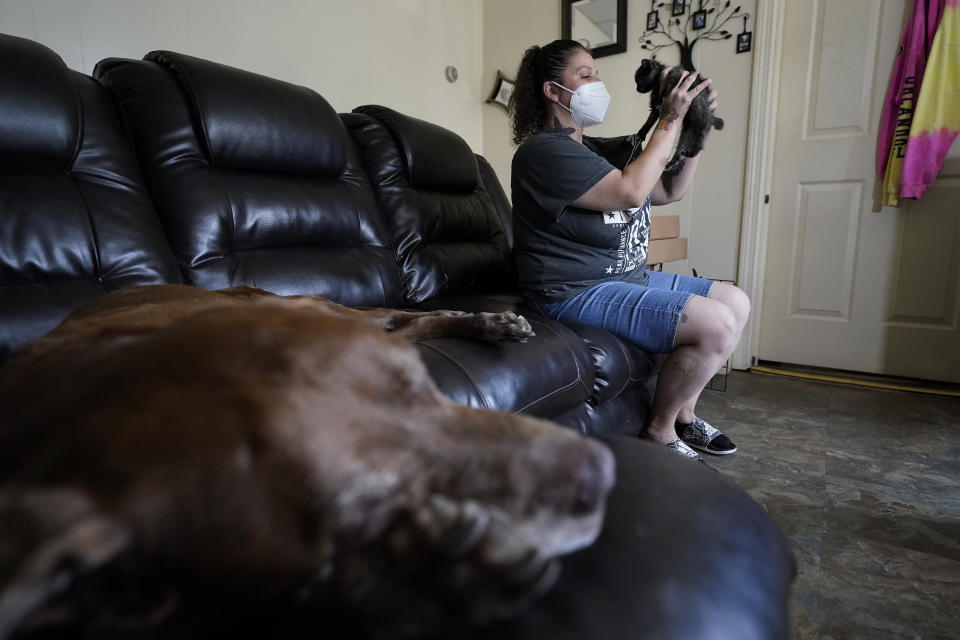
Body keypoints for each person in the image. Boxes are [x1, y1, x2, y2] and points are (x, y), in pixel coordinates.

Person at [508, 39, 750, 463]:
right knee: (716, 324)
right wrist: (670, 116)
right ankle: (658, 431)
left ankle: (684, 415)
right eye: (584, 76)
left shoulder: (595, 150)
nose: (596, 83)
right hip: (573, 290)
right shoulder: (543, 153)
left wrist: (696, 126)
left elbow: (668, 190)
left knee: (735, 301)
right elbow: (630, 190)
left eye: (596, 75)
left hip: (621, 277)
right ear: (552, 90)